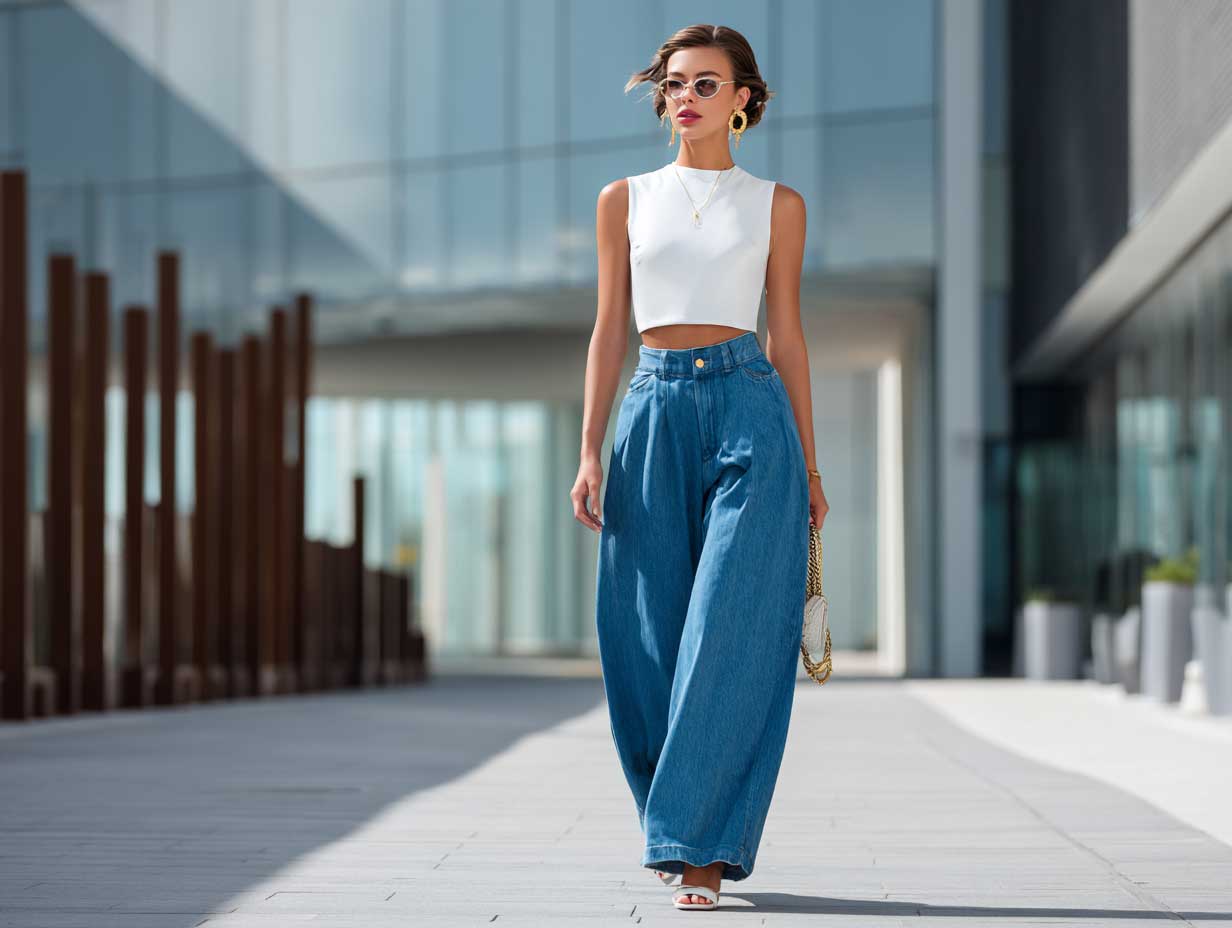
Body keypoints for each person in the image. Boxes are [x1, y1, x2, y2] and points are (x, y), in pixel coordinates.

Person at [570, 23, 829, 912]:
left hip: (751, 413)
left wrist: (814, 466)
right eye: (676, 84)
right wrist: (588, 447)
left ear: (743, 100)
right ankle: (670, 818)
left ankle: (701, 849)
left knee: (728, 629)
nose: (686, 98)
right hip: (651, 407)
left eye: (706, 84)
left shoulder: (777, 205)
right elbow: (609, 331)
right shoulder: (625, 199)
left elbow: (786, 336)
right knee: (642, 638)